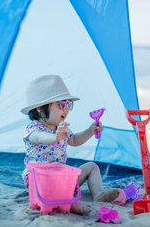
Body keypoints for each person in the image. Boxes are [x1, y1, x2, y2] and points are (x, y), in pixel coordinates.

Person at [21, 75, 126, 215]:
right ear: (40, 108)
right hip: (39, 180)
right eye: (61, 105)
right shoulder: (33, 128)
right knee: (56, 183)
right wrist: (55, 137)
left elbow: (75, 140)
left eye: (68, 104)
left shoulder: (61, 127)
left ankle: (98, 194)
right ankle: (70, 202)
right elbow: (40, 138)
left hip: (62, 178)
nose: (66, 110)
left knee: (92, 167)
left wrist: (89, 131)